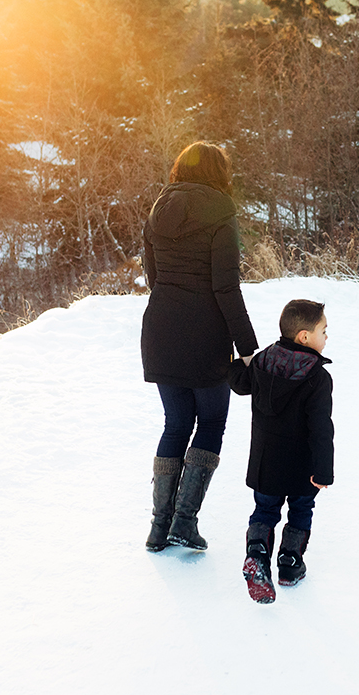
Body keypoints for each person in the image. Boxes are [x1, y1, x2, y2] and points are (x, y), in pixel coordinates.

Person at [141, 141, 258, 552]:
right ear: (218, 172)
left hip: (160, 329)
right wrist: (247, 348)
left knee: (175, 424)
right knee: (209, 424)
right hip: (205, 334)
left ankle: (160, 528)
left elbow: (153, 276)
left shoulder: (158, 210)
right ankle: (184, 522)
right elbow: (225, 286)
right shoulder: (222, 214)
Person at [228, 299, 333, 604]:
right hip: (303, 467)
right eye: (323, 331)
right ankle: (289, 564)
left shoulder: (262, 362)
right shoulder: (317, 377)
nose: (327, 337)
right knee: (301, 511)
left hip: (265, 463)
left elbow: (240, 382)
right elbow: (321, 428)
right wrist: (324, 470)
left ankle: (257, 556)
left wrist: (234, 363)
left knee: (264, 510)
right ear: (304, 336)